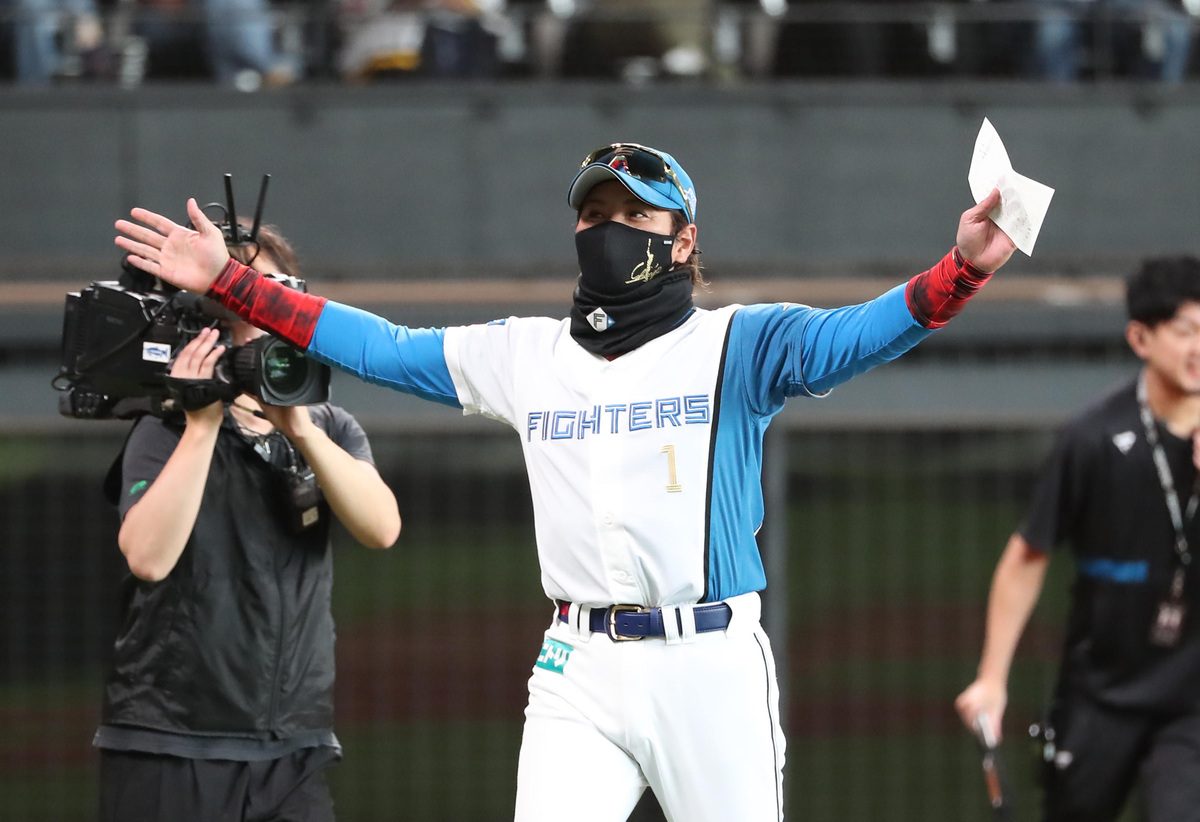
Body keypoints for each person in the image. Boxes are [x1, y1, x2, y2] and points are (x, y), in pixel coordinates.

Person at [115, 142, 1016, 821]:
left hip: (706, 660)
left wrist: (963, 268)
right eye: (593, 213)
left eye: (635, 214)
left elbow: (865, 333)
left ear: (683, 238)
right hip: (578, 662)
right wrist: (236, 284)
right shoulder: (527, 355)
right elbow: (380, 346)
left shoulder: (739, 343)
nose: (609, 228)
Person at [94, 221, 401, 822]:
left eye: (265, 294)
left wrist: (300, 427)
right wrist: (202, 422)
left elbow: (382, 528)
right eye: (232, 297)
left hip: (294, 743)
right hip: (172, 741)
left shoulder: (328, 426)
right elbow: (149, 556)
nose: (255, 317)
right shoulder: (167, 427)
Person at [955, 256, 1200, 822]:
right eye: (1185, 330)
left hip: (1191, 701)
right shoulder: (1091, 436)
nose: (1197, 347)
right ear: (1141, 337)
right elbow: (1027, 555)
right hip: (1101, 694)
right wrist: (992, 679)